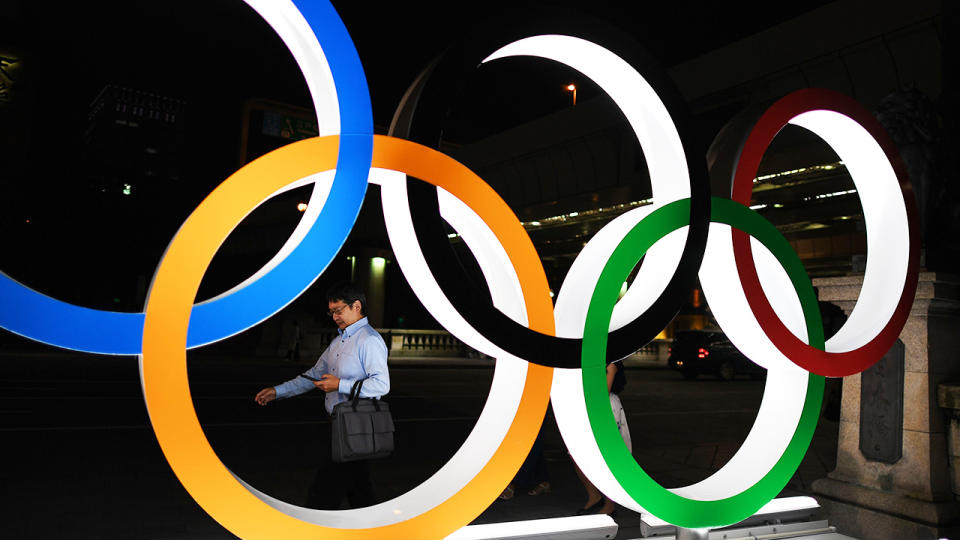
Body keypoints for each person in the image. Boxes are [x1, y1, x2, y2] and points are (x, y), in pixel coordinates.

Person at [254, 282, 390, 509]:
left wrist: (339, 384)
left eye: (339, 310)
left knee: (324, 491)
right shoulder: (339, 341)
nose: (334, 316)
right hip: (338, 424)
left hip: (355, 425)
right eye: (331, 312)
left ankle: (317, 527)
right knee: (359, 490)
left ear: (356, 306)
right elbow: (314, 375)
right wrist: (278, 391)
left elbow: (381, 384)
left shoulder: (369, 340)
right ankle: (373, 528)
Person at [574, 359, 631, 516]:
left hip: (605, 409)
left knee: (608, 459)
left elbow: (603, 391)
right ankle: (594, 496)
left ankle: (609, 504)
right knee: (576, 454)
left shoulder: (611, 361)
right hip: (588, 406)